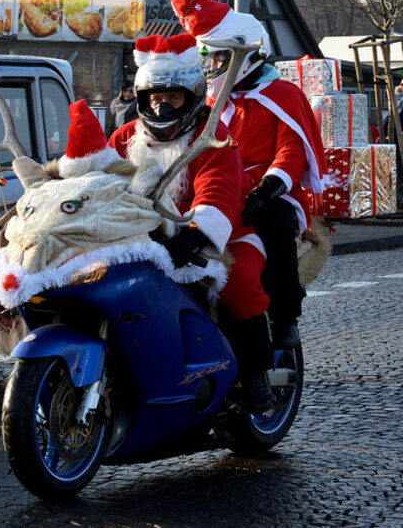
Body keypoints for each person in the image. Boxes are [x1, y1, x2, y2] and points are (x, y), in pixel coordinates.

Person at [98, 33, 273, 412]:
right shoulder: (124, 136)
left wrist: (195, 234)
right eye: (155, 99)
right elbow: (98, 181)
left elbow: (220, 189)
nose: (162, 107)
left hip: (223, 234)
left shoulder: (212, 137)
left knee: (238, 283)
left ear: (190, 96)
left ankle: (258, 375)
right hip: (144, 237)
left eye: (172, 98)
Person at [168, 0, 327, 350]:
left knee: (275, 226)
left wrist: (268, 189)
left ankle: (287, 313)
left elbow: (292, 152)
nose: (213, 65)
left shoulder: (283, 95)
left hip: (270, 192)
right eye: (209, 56)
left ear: (246, 54)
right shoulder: (208, 99)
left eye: (220, 56)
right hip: (220, 186)